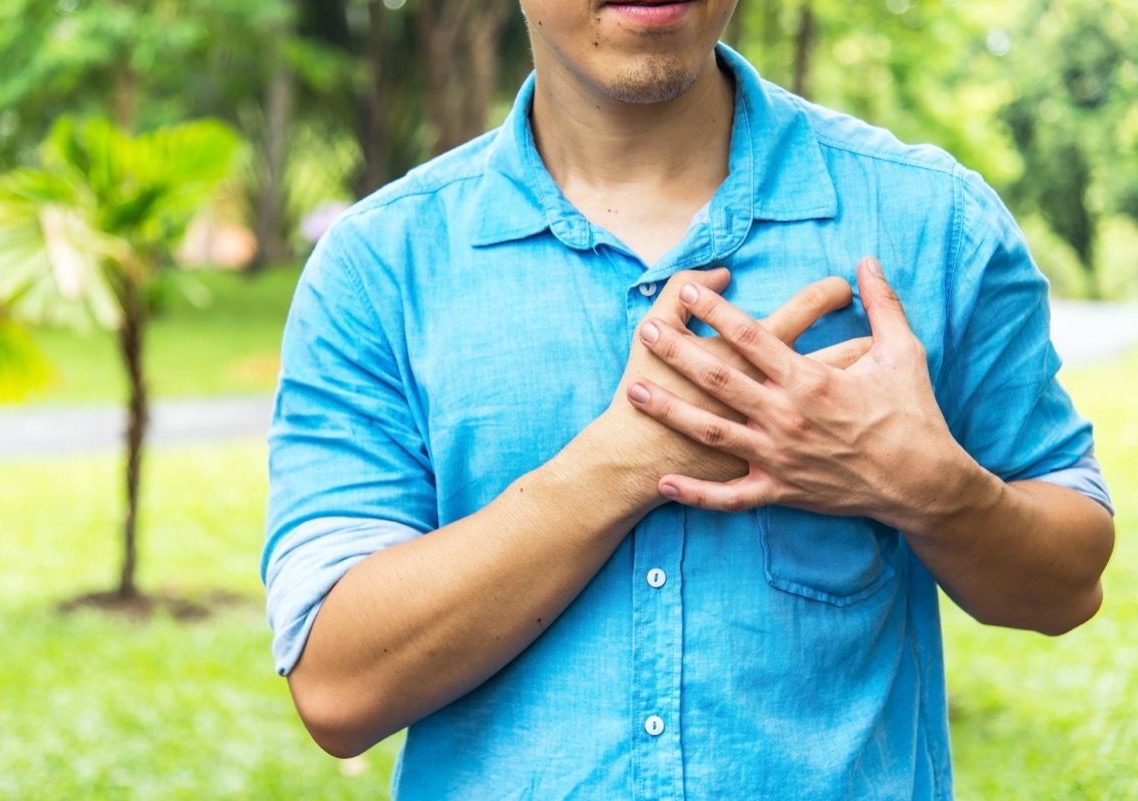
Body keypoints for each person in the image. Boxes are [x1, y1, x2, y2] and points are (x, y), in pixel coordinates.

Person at [262, 2, 1115, 798]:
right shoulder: (378, 268)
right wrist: (626, 459)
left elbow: (1067, 582)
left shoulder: (936, 224)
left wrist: (931, 487)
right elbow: (338, 688)